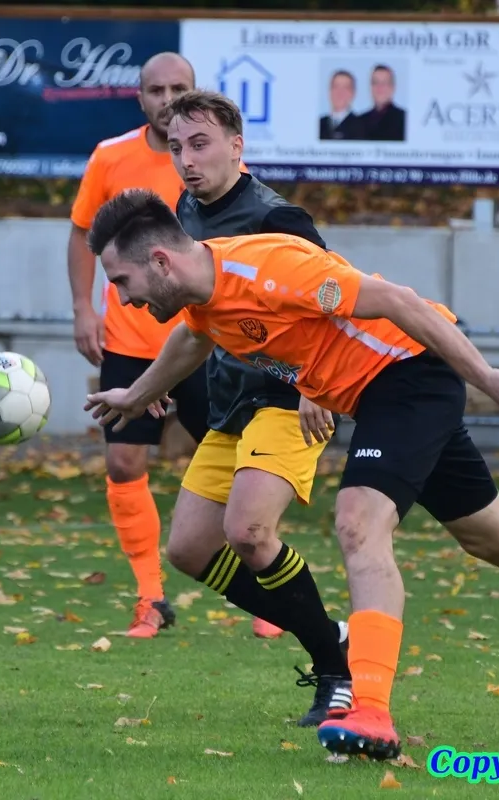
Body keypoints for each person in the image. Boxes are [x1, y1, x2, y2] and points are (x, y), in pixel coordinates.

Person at [81, 191, 499, 762]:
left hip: (409, 375)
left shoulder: (270, 270)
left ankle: (370, 709)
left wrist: (486, 378)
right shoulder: (202, 298)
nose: (124, 300)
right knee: (494, 535)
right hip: (376, 398)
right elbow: (192, 339)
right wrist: (137, 395)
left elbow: (401, 302)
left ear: (160, 261)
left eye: (123, 282)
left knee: (359, 523)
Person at [156, 88, 351, 725]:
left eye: (200, 144)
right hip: (231, 402)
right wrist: (152, 385)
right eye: (177, 147)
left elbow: (338, 305)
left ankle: (335, 672)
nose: (187, 159)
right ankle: (328, 636)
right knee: (189, 549)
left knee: (248, 532)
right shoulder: (186, 210)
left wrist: (314, 387)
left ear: (237, 147)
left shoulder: (279, 218)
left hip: (290, 397)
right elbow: (198, 323)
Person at [67, 51, 272, 641]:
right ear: (140, 98)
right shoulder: (111, 156)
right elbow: (82, 233)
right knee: (123, 462)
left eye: (177, 88)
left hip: (204, 342)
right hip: (131, 339)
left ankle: (268, 595)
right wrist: (83, 308)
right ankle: (150, 598)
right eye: (155, 90)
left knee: (240, 470)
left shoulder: (215, 169)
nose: (166, 99)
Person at [359, 65, 405, 142]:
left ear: (393, 87)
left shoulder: (405, 120)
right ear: (371, 87)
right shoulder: (359, 122)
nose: (380, 87)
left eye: (384, 83)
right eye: (375, 82)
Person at [319, 71, 365, 141]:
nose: (340, 92)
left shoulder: (362, 126)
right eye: (336, 87)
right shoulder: (318, 124)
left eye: (345, 88)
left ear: (353, 93)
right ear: (329, 91)